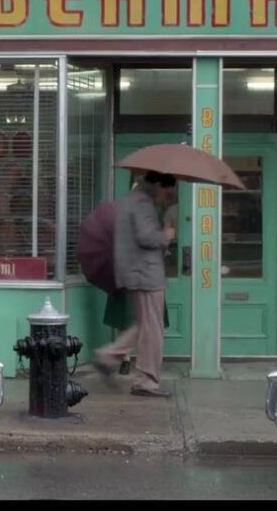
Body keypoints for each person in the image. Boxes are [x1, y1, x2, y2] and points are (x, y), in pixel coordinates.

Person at [94, 170, 177, 398]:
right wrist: (166, 235)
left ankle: (109, 356)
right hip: (146, 275)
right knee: (153, 329)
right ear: (158, 184)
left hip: (134, 273)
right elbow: (146, 236)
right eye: (166, 191)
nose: (166, 196)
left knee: (145, 325)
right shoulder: (143, 203)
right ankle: (146, 381)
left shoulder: (127, 201)